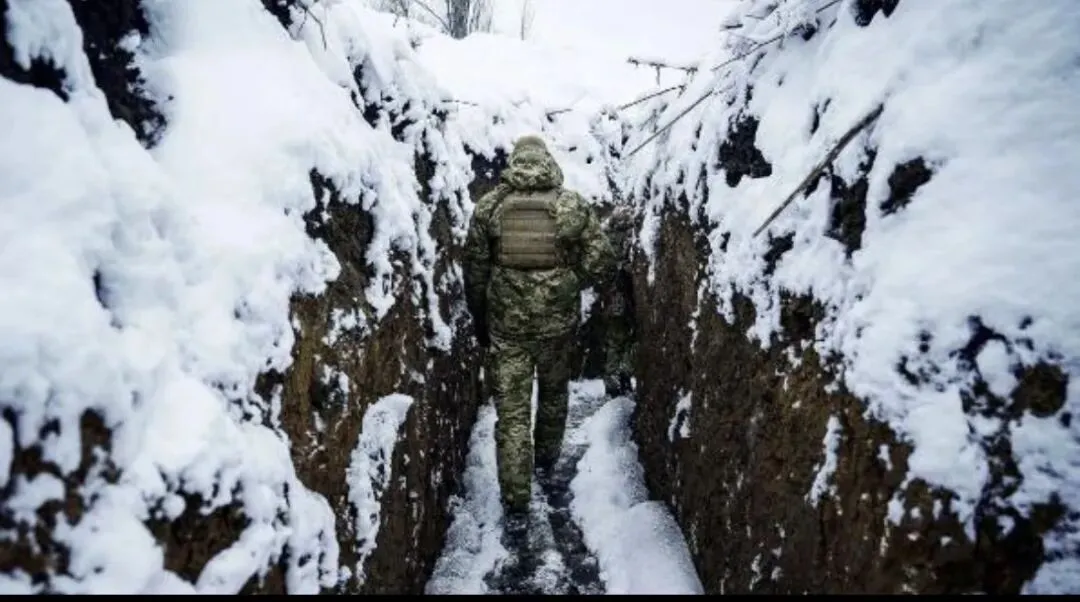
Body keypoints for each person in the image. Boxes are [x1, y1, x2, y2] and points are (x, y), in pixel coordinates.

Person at [463, 135, 615, 533]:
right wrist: (570, 280)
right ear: (547, 162)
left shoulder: (489, 207)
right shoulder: (571, 204)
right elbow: (602, 259)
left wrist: (481, 319)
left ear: (514, 163)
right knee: (553, 395)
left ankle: (516, 502)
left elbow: (475, 270)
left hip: (507, 328)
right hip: (557, 325)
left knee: (512, 414)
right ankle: (546, 465)